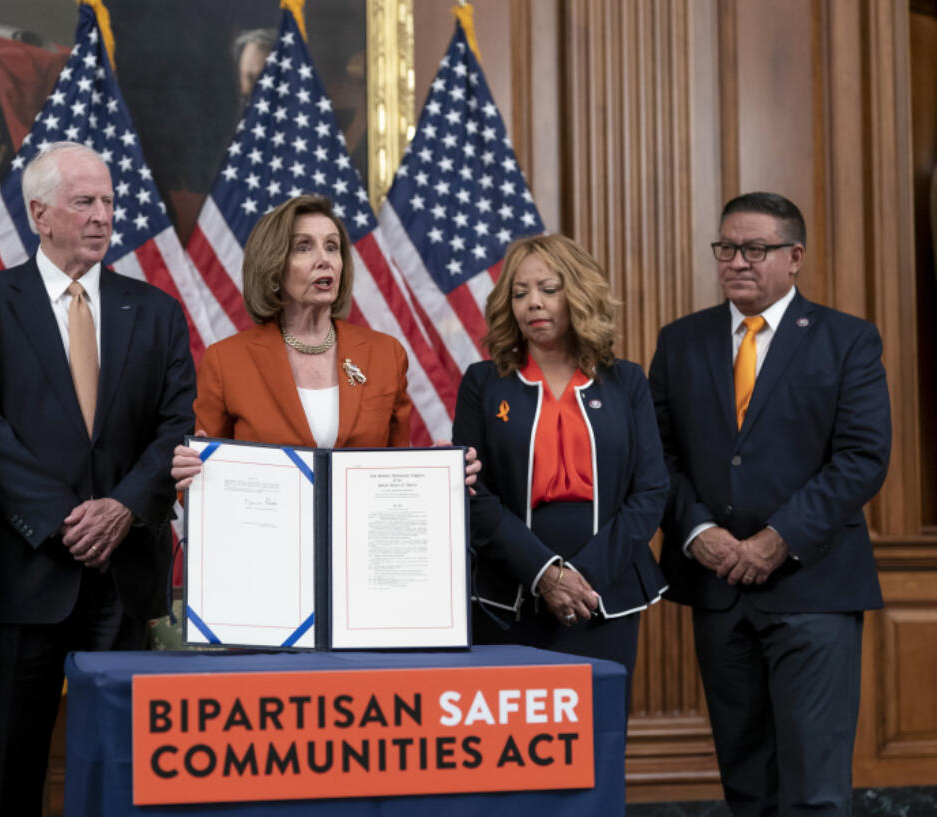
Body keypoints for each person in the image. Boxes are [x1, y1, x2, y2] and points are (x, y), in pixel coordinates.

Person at [0, 142, 195, 816]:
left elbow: (175, 428)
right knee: (12, 776)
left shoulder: (157, 311)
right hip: (25, 573)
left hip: (124, 573)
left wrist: (121, 507)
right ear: (39, 214)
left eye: (109, 201)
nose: (103, 215)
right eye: (85, 201)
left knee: (123, 775)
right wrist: (64, 519)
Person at [650, 192, 891, 817]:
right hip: (717, 590)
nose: (737, 261)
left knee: (814, 792)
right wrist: (696, 528)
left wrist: (777, 538)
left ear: (795, 257)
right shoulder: (680, 342)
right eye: (726, 248)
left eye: (755, 249)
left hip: (813, 589)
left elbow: (862, 459)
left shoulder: (847, 341)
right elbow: (657, 458)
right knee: (748, 786)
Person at [451, 234, 668, 698]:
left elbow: (650, 491)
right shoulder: (484, 383)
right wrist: (545, 574)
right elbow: (471, 494)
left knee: (596, 747)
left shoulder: (626, 381)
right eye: (520, 292)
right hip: (508, 597)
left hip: (601, 596)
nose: (533, 303)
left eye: (549, 289)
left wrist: (579, 581)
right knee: (512, 754)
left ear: (579, 293)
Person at [171, 194, 477, 486]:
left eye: (332, 247)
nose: (325, 259)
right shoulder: (227, 362)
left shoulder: (385, 355)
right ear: (273, 268)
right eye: (304, 248)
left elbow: (395, 470)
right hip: (272, 538)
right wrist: (190, 475)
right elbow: (201, 486)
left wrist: (444, 473)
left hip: (360, 537)